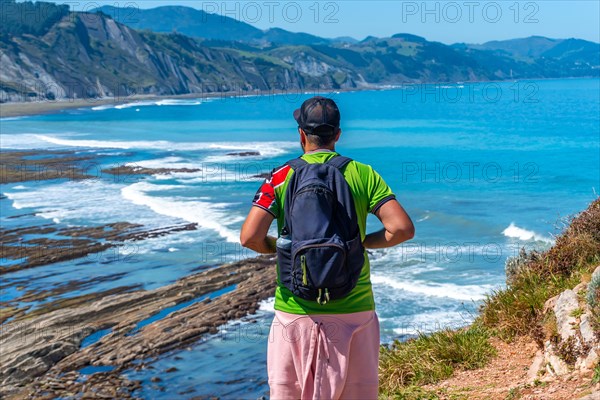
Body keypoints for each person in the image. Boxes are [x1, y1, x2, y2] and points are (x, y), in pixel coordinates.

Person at [240, 96, 415, 400]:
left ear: (301, 134)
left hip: (295, 313)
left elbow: (250, 237)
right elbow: (401, 228)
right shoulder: (363, 174)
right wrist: (362, 243)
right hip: (355, 309)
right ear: (337, 135)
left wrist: (281, 249)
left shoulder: (281, 177)